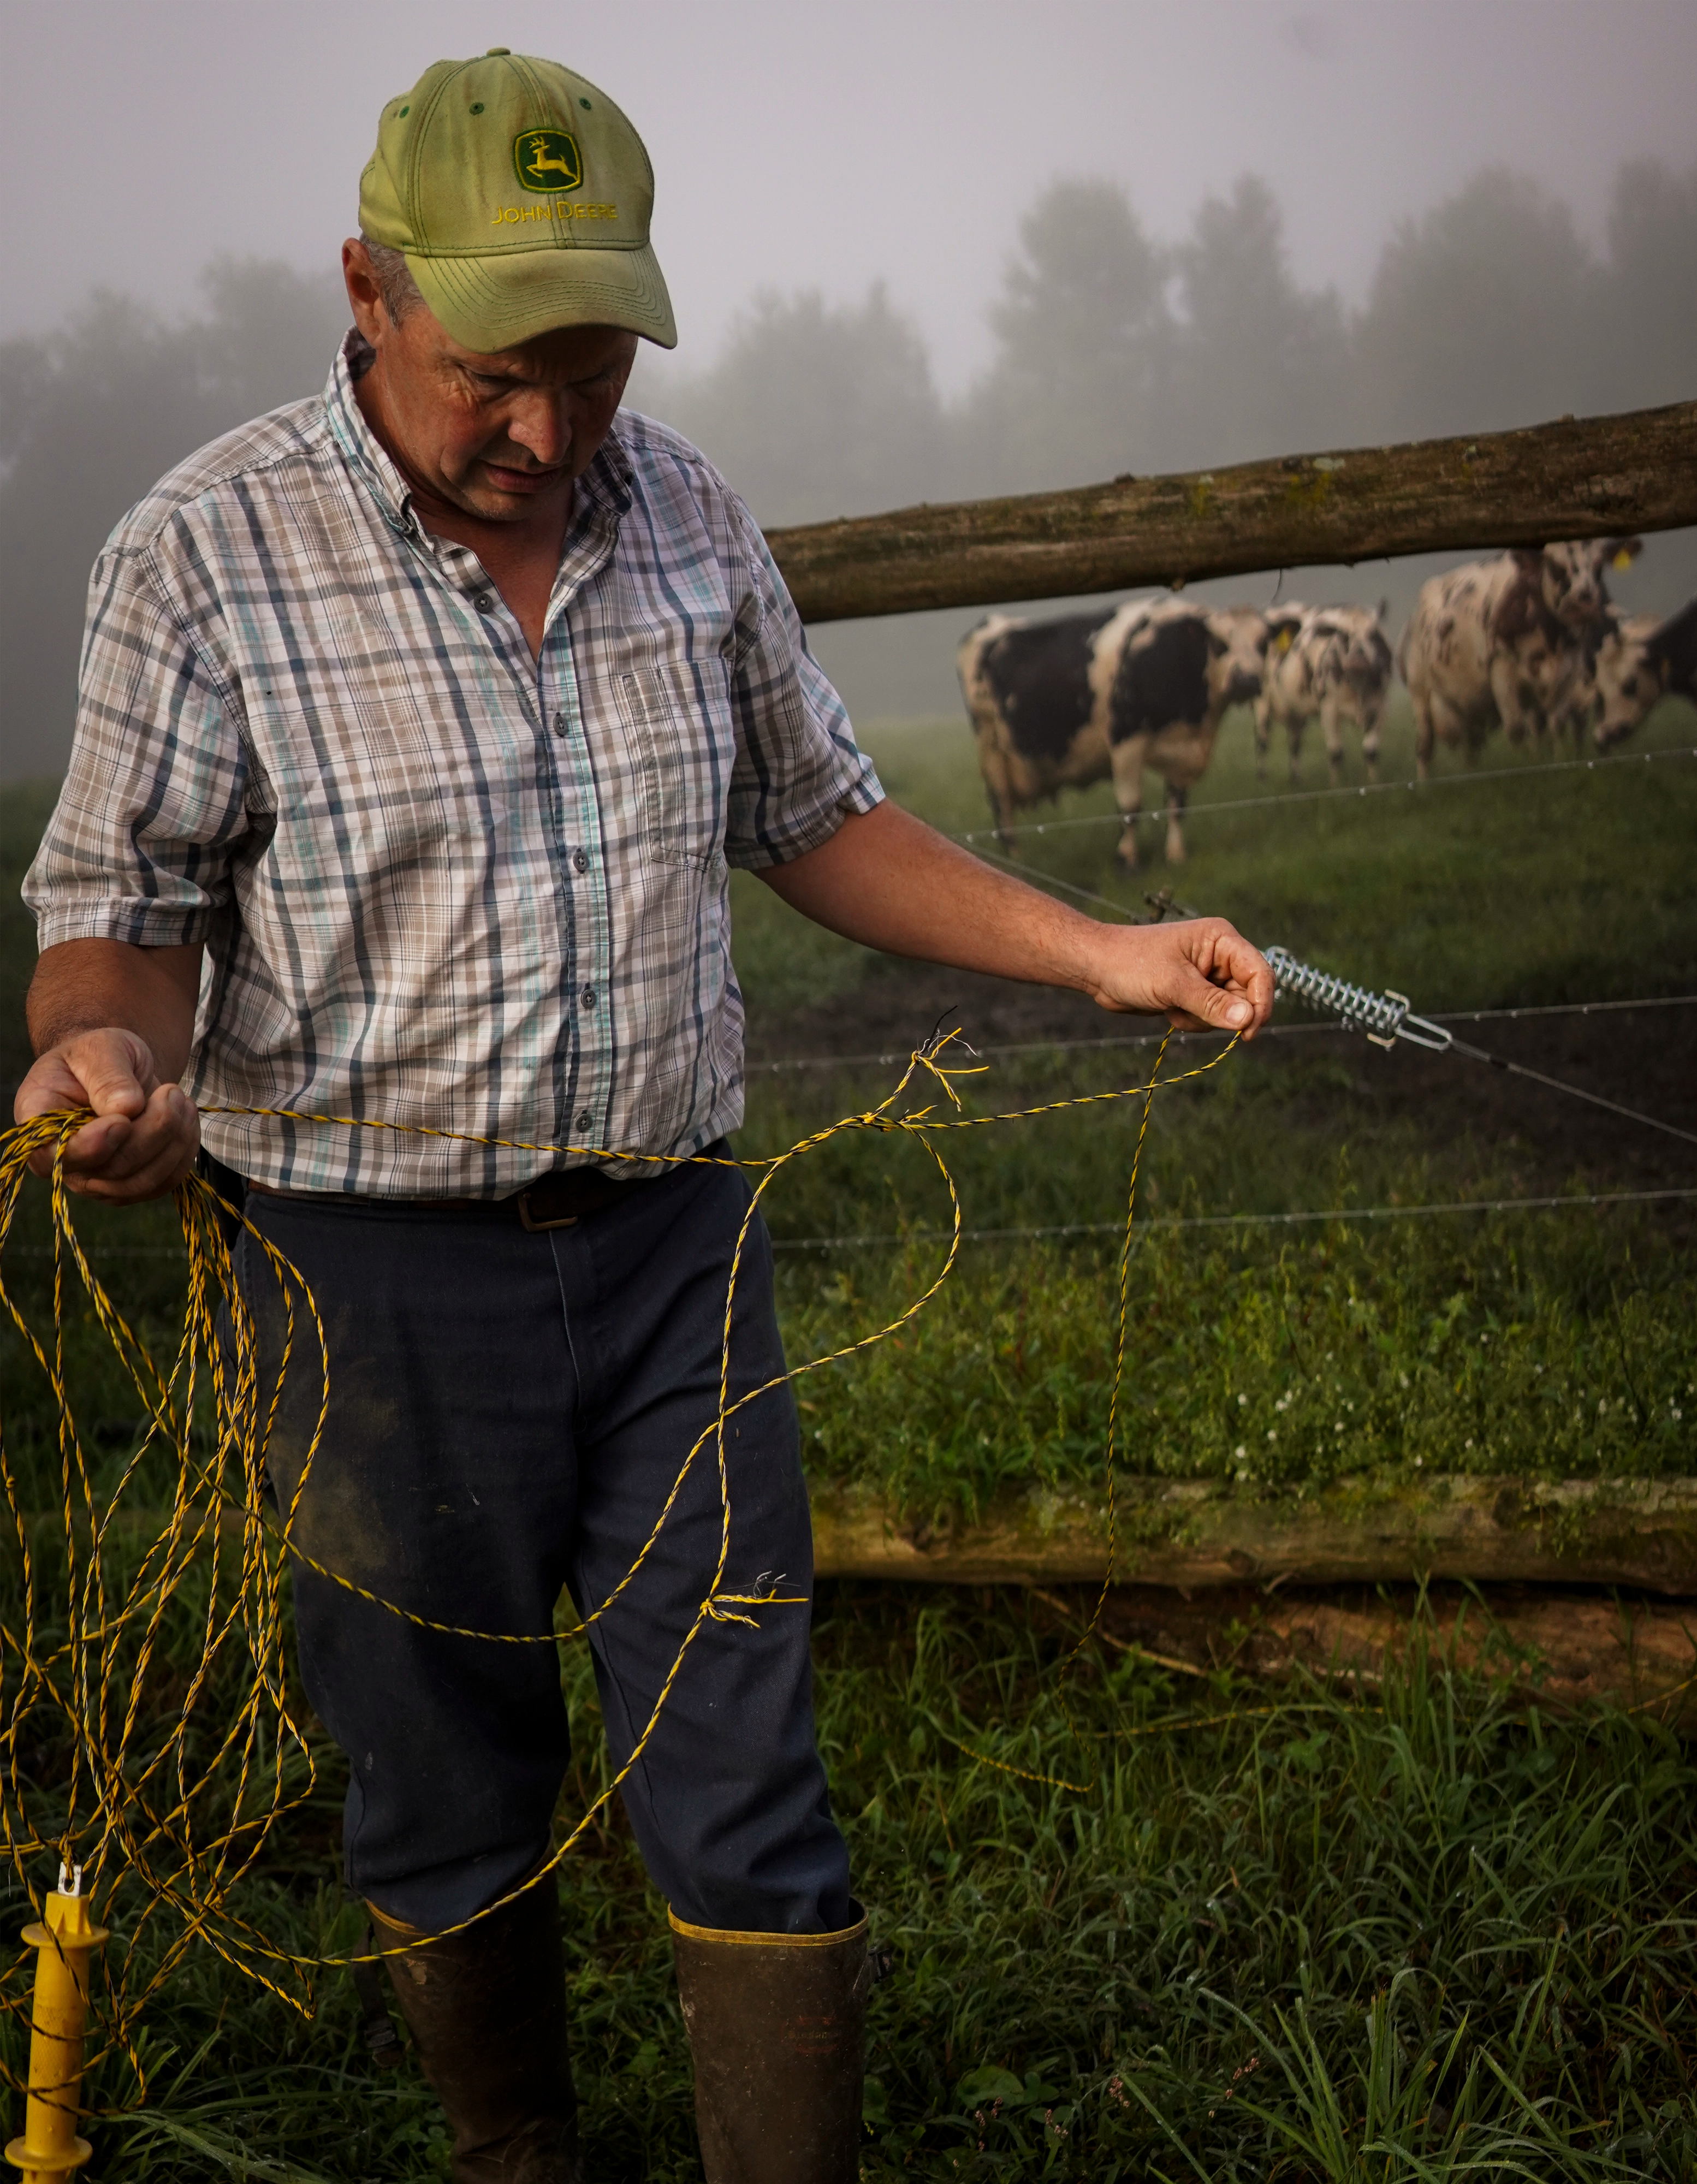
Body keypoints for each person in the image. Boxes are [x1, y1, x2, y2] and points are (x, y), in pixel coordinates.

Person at [15, 49, 1272, 2184]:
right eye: (500, 372)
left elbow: (821, 817)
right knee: (442, 1781)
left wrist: (1103, 952)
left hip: (676, 1247)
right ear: (367, 290)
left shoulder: (683, 515)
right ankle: (521, 2152)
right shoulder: (203, 557)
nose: (543, 435)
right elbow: (117, 926)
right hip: (363, 1287)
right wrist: (112, 1056)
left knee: (747, 1769)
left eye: (590, 369)